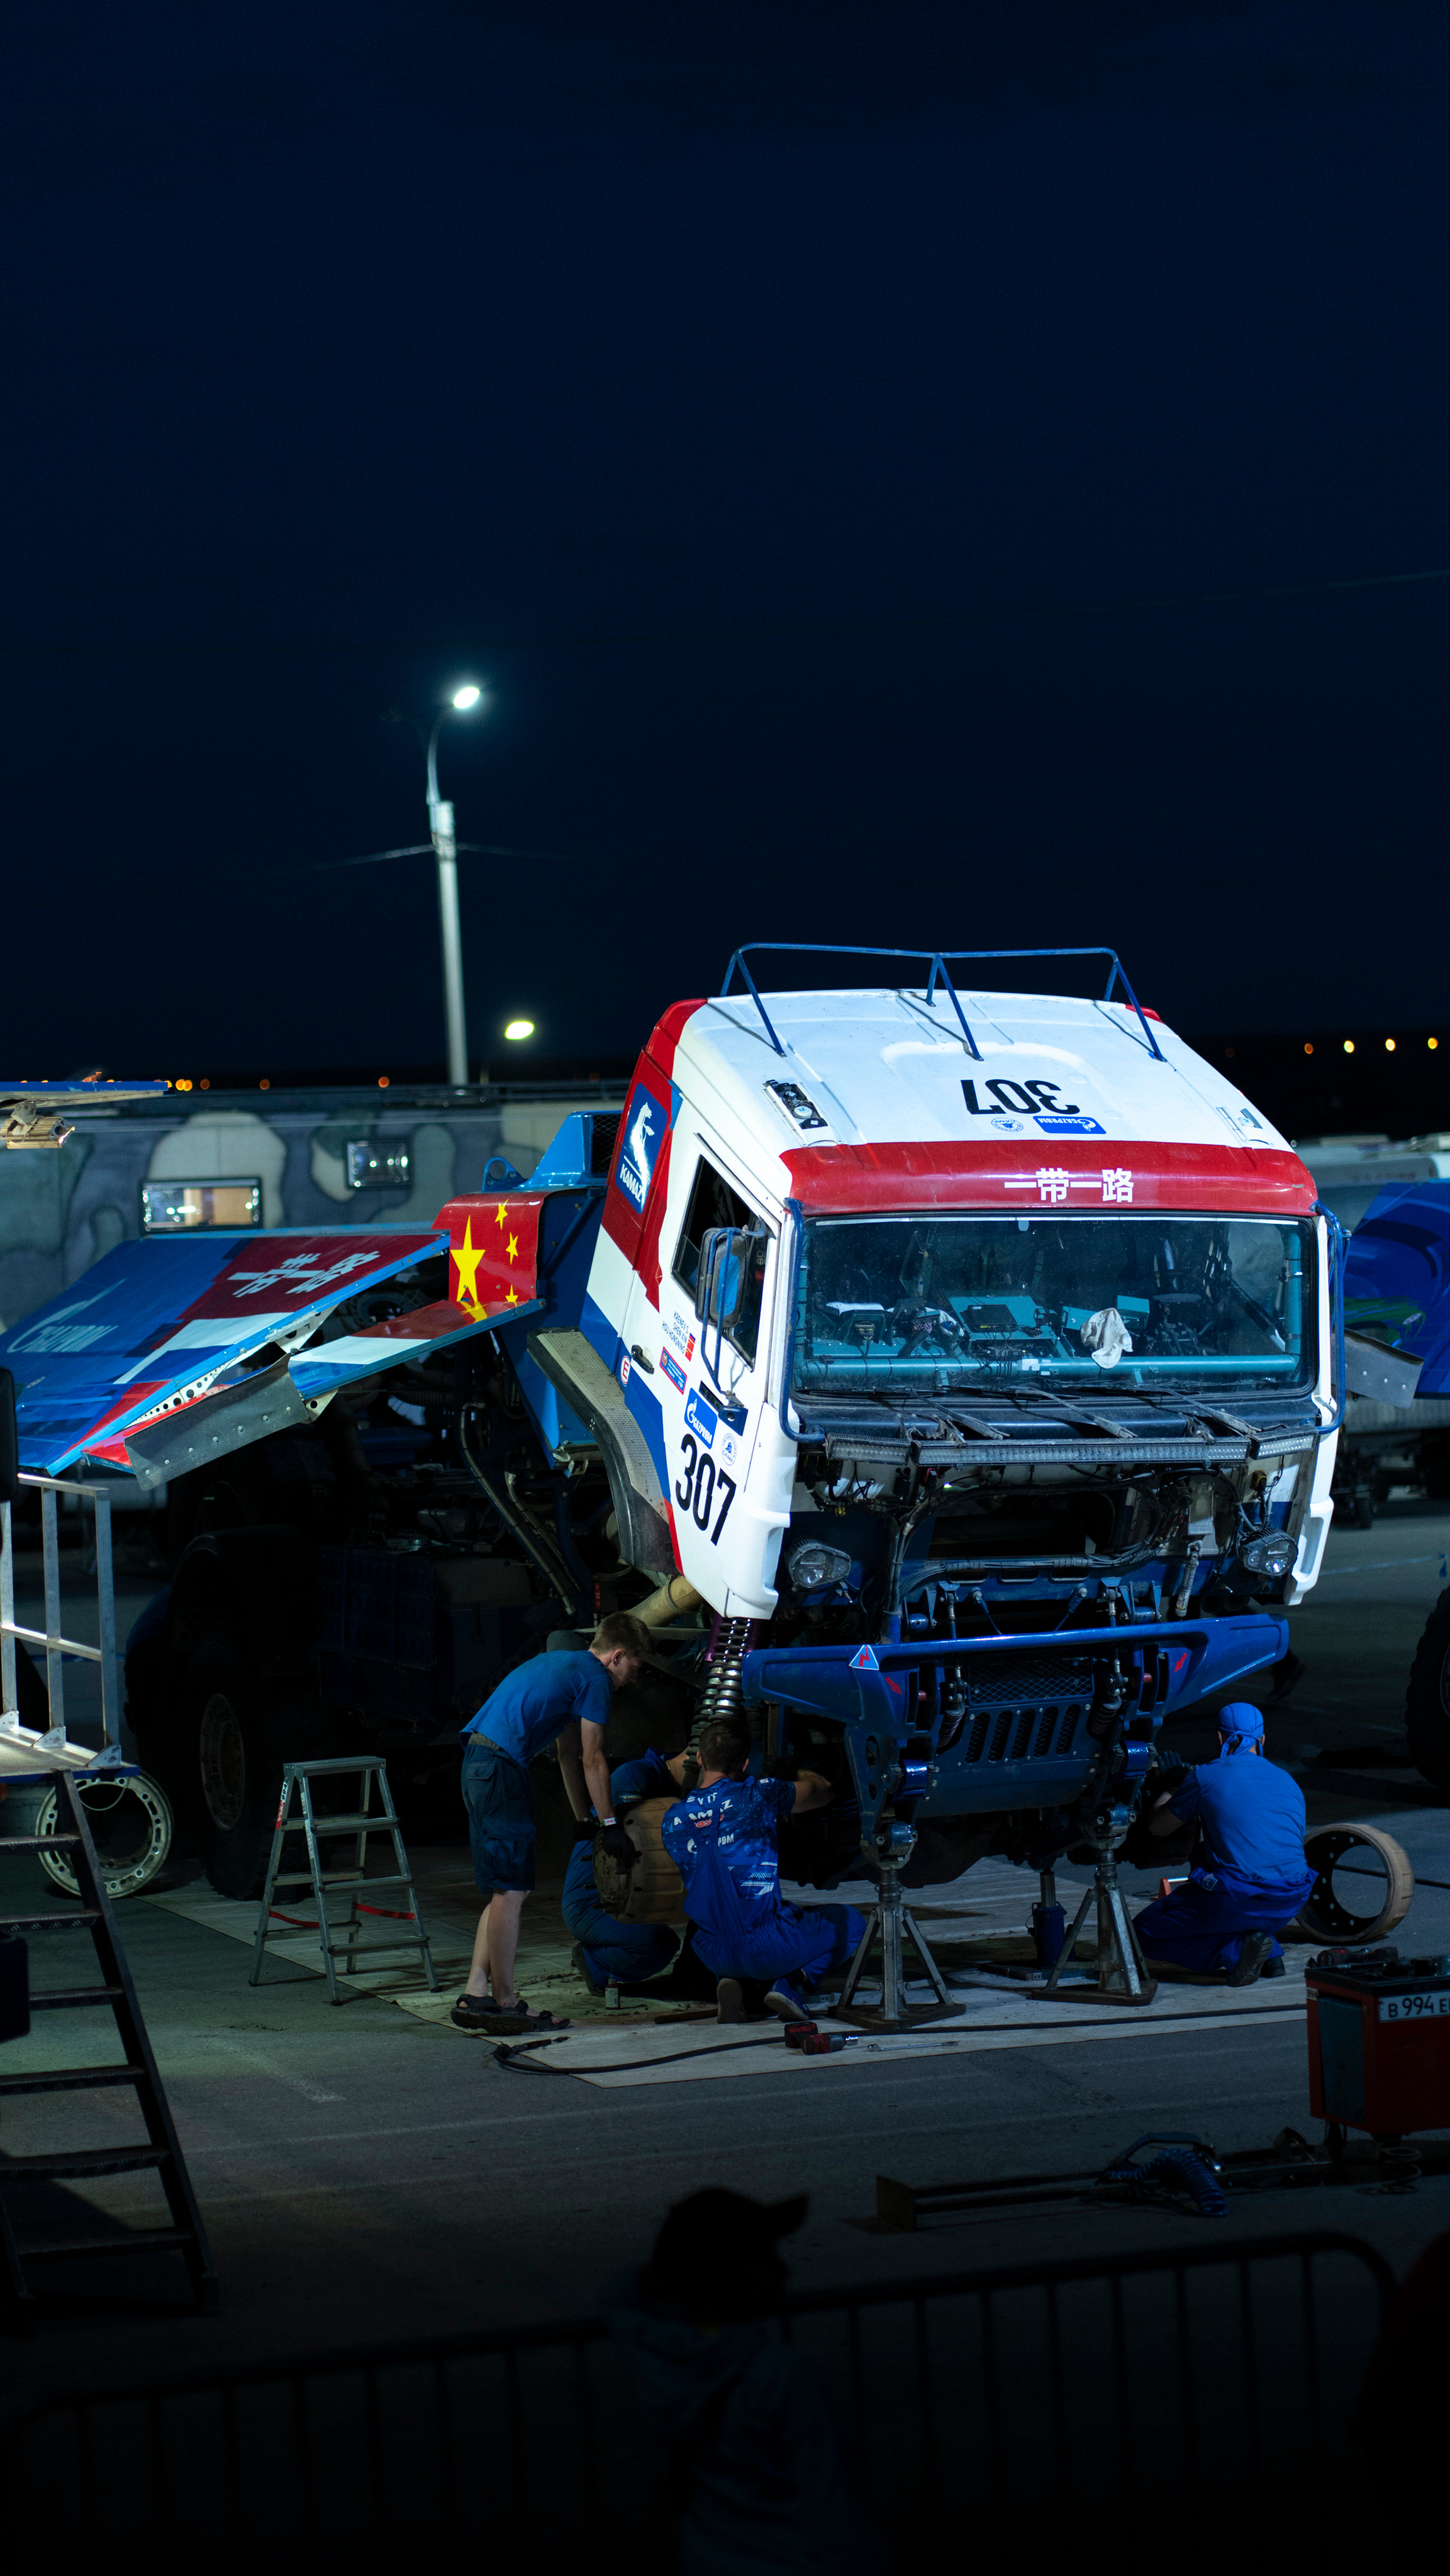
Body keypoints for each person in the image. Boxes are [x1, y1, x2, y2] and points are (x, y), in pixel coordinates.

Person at [600, 2188, 876, 2575]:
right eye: (764, 2257)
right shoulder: (782, 2373)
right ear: (729, 2276)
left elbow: (622, 2295)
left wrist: (675, 2276)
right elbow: (831, 2505)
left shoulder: (658, 2366)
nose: (782, 2270)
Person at [451, 1612, 650, 2032]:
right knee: (512, 1889)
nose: (634, 1678)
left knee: (504, 1889)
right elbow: (594, 1758)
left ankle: (475, 1993)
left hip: (478, 1765)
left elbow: (567, 1754)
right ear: (617, 1656)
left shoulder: (565, 1665)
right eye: (635, 1666)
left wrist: (584, 1819)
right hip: (501, 1768)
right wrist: (610, 1825)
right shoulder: (596, 1680)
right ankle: (506, 2002)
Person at [661, 1720, 864, 2021]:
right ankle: (789, 1984)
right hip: (768, 1946)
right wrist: (796, 1768)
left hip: (713, 1953)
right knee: (854, 1922)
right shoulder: (759, 1795)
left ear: (700, 1758)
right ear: (745, 1764)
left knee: (731, 1920)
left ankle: (737, 1986)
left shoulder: (672, 1819)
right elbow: (822, 1791)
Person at [1132, 1701, 1316, 1984]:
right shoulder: (1288, 1781)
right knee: (1210, 1858)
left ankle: (1236, 1951)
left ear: (1219, 1738)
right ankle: (1267, 1952)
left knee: (1135, 1937)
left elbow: (1158, 1827)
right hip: (1291, 1900)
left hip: (1239, 1898)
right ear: (1263, 1739)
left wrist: (1171, 1785)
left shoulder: (1205, 1776)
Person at [562, 1738, 724, 1997]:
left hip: (635, 1894)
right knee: (656, 1946)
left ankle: (702, 1972)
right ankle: (595, 1962)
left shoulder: (681, 1788)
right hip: (593, 1902)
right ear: (699, 1761)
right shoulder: (634, 1776)